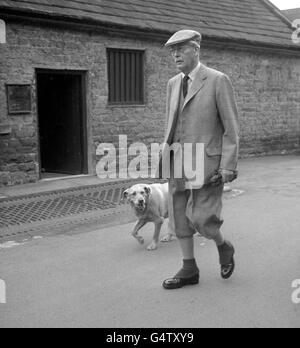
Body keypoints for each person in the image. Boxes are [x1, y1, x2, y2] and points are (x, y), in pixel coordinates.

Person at [160, 30, 240, 290]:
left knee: (203, 218)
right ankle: (189, 268)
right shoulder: (173, 83)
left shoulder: (217, 80)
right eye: (173, 50)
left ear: (196, 49)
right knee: (179, 216)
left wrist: (228, 165)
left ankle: (223, 245)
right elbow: (172, 123)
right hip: (177, 160)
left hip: (206, 163)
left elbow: (231, 127)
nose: (175, 54)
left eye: (181, 48)